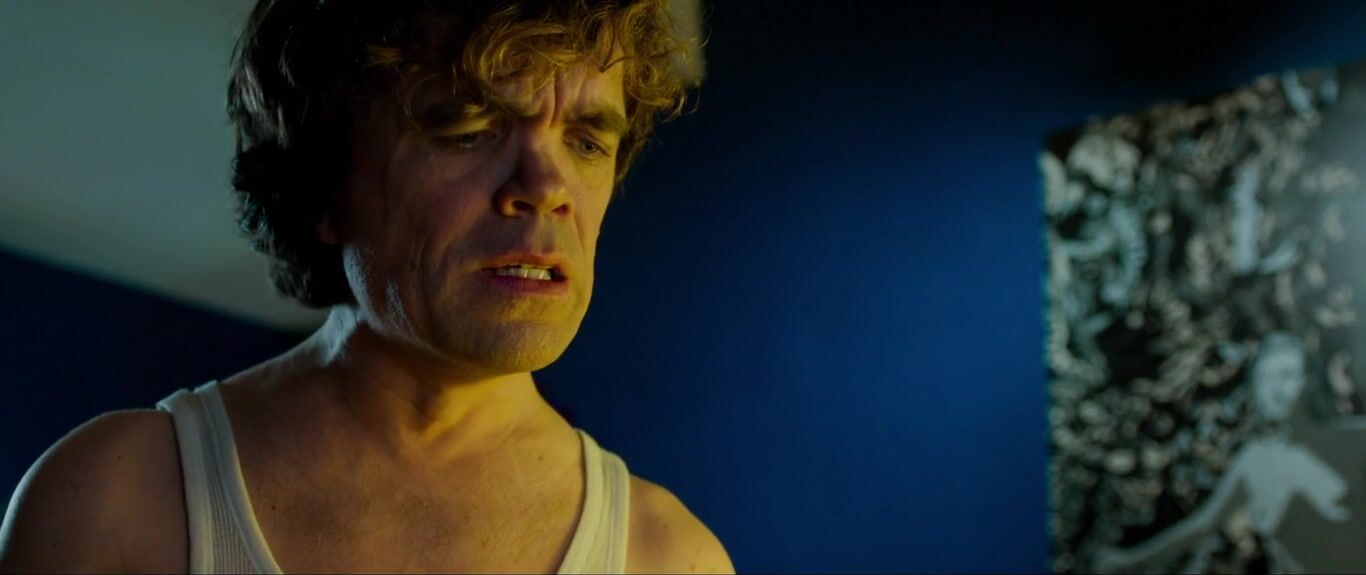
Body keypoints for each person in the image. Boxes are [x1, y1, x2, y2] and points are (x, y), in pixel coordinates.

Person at [0, 0, 733, 572]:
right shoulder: (114, 504)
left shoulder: (670, 559)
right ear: (325, 182)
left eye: (586, 140)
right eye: (469, 128)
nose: (546, 188)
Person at [1092, 332, 1350, 574]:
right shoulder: (1256, 460)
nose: (1276, 389)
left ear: (1308, 379)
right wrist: (1128, 562)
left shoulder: (1353, 437)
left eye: (1287, 375)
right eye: (1266, 378)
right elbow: (1201, 526)